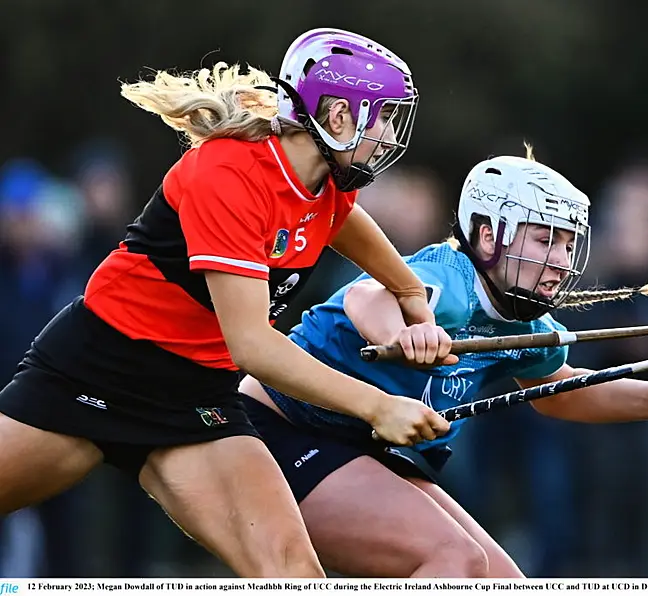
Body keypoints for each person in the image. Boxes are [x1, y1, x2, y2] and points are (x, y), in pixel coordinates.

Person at [0, 28, 451, 578]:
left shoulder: (327, 183)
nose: (385, 134)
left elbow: (338, 221)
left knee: (292, 575)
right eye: (379, 117)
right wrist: (377, 405)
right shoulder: (229, 173)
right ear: (337, 117)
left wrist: (408, 292)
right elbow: (253, 344)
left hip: (196, 398)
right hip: (97, 370)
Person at [240, 146, 648, 578]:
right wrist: (409, 331)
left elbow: (562, 393)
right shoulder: (448, 279)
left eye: (566, 243)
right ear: (489, 237)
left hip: (363, 447)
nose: (560, 259)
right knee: (453, 559)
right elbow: (367, 298)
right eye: (544, 239)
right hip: (284, 428)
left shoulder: (527, 326)